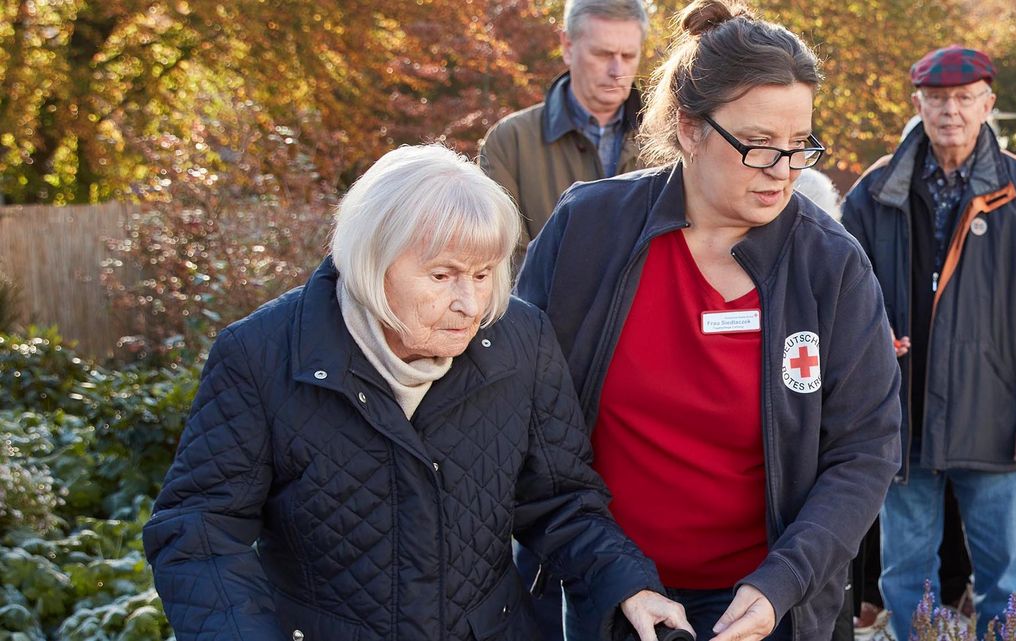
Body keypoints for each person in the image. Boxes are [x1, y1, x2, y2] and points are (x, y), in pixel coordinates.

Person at [144, 144, 690, 641]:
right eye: (443, 276)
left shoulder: (522, 339)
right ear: (373, 261)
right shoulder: (261, 354)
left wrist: (628, 585)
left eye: (483, 274)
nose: (470, 304)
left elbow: (561, 500)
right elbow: (200, 532)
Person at [515, 2, 902, 640]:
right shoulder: (588, 230)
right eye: (759, 145)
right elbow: (529, 425)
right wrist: (613, 575)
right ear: (690, 129)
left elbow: (864, 452)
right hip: (606, 590)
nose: (783, 171)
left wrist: (784, 581)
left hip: (767, 605)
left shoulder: (831, 264)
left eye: (798, 145)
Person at [840, 45, 1016, 641]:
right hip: (902, 420)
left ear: (987, 104)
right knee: (904, 575)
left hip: (995, 419)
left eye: (963, 98)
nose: (949, 110)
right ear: (918, 104)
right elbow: (837, 295)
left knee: (1002, 579)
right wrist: (868, 342)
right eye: (936, 98)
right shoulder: (875, 191)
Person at [479, 0, 650, 243]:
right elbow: (502, 254)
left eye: (629, 56)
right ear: (568, 47)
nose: (617, 70)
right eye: (603, 54)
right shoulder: (509, 143)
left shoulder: (669, 141)